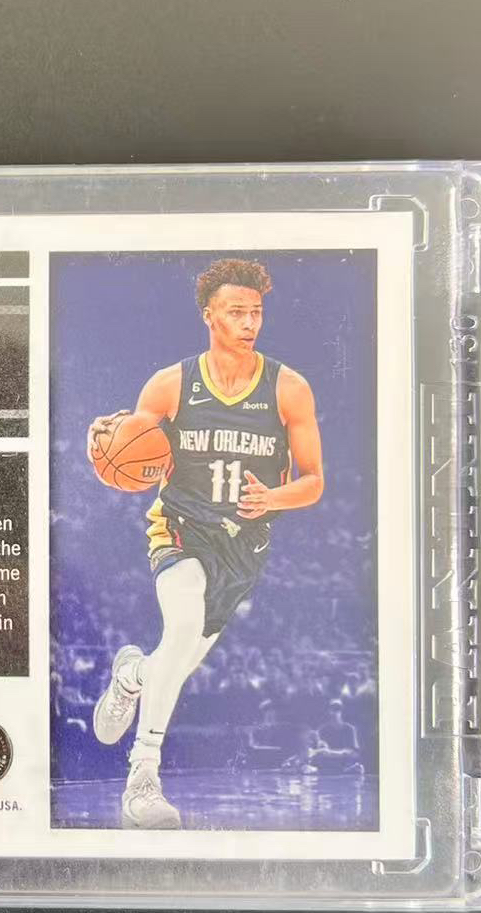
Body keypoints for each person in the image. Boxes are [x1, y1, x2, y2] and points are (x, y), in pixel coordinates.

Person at [88, 258, 325, 830]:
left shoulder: (288, 389)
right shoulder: (171, 384)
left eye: (256, 312)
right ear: (208, 315)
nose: (249, 322)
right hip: (180, 529)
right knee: (183, 623)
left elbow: (314, 481)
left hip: (243, 548)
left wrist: (274, 498)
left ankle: (131, 675)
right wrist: (105, 441)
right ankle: (143, 776)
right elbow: (130, 445)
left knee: (176, 663)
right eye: (236, 311)